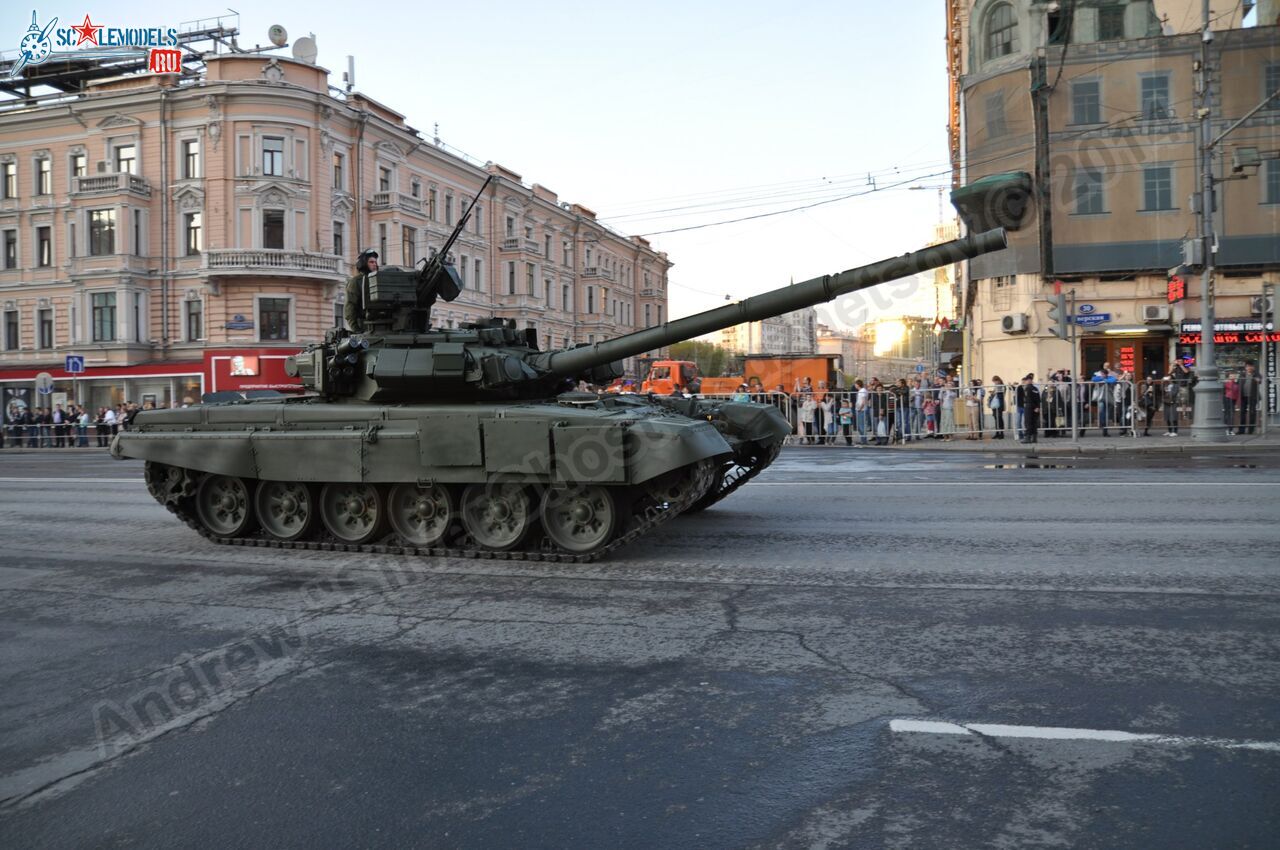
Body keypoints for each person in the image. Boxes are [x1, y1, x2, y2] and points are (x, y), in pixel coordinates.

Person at [343, 249, 380, 333]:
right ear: (363, 263)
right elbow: (350, 307)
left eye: (375, 262)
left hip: (381, 325)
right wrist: (356, 329)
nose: (374, 264)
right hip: (364, 325)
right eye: (371, 262)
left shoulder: (379, 280)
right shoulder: (356, 282)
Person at [1016, 373, 1041, 443]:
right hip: (1035, 408)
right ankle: (1034, 438)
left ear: (1028, 380)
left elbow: (1029, 399)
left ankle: (1028, 438)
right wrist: (1037, 407)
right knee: (1034, 423)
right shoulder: (1035, 388)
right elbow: (1038, 399)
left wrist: (1033, 407)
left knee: (1028, 423)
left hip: (1029, 407)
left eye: (1027, 380)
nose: (1026, 381)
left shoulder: (1027, 388)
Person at [1238, 362, 1261, 435]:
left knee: (1252, 413)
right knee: (1242, 413)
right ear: (1245, 367)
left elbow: (1259, 380)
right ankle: (1241, 430)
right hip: (1243, 396)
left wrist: (1256, 378)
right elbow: (1238, 382)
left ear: (1253, 367)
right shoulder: (1242, 374)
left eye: (1250, 366)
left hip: (1252, 396)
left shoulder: (1256, 374)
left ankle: (1251, 430)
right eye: (1247, 366)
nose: (1249, 368)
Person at [1162, 371, 1180, 436]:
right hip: (1166, 402)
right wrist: (1163, 382)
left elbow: (1174, 393)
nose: (1168, 380)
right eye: (1167, 378)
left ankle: (1175, 431)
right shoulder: (1165, 385)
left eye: (1170, 378)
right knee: (1167, 417)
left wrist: (1168, 392)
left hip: (1173, 402)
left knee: (1174, 416)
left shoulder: (1175, 385)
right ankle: (1169, 431)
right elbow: (1161, 391)